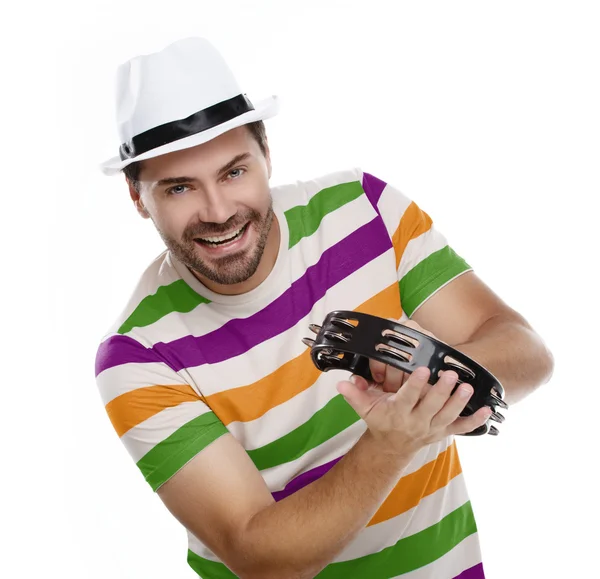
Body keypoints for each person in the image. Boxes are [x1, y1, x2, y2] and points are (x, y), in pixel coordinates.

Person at [95, 37, 554, 579]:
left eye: (234, 172)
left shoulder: (364, 210)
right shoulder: (138, 357)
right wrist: (391, 439)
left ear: (266, 153)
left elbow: (526, 353)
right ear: (136, 196)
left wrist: (425, 373)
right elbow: (261, 558)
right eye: (178, 189)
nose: (218, 212)